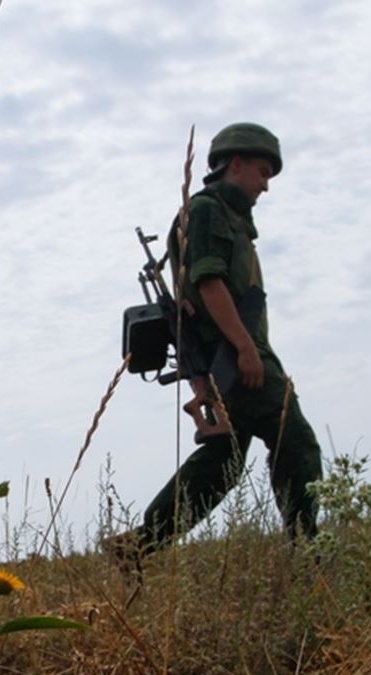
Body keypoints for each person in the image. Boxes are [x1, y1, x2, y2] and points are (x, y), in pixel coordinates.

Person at [110, 123, 323, 571]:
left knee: (221, 463)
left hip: (229, 359)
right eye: (262, 173)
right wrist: (245, 349)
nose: (266, 185)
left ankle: (139, 546)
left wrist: (209, 374)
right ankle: (309, 552)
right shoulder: (208, 210)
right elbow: (208, 284)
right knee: (297, 442)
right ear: (236, 163)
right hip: (240, 357)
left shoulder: (227, 218)